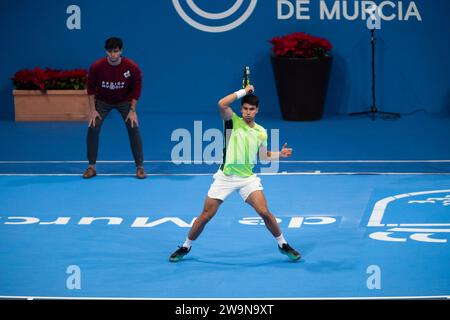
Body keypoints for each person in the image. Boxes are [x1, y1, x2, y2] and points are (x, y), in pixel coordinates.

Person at [169, 85, 301, 262]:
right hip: (225, 177)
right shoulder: (232, 122)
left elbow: (263, 155)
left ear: (257, 110)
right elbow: (221, 104)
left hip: (247, 179)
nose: (248, 112)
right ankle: (185, 246)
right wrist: (243, 92)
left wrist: (280, 154)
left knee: (265, 212)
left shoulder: (261, 132)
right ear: (241, 109)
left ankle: (282, 244)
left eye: (251, 109)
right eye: (245, 108)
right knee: (206, 215)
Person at [83, 37, 146, 179]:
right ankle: (91, 167)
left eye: (115, 51)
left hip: (124, 102)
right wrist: (92, 110)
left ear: (121, 51)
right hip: (103, 102)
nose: (112, 54)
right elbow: (91, 89)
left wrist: (133, 110)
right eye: (110, 51)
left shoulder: (131, 67)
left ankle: (140, 167)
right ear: (106, 51)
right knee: (93, 127)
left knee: (133, 126)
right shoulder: (97, 67)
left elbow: (137, 88)